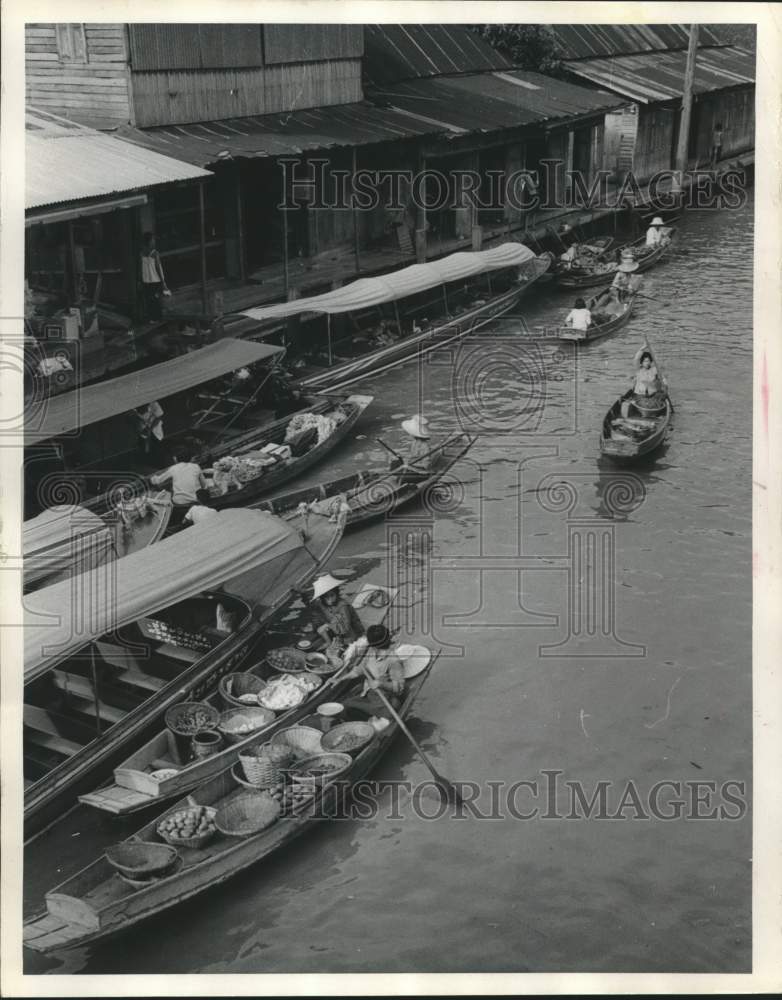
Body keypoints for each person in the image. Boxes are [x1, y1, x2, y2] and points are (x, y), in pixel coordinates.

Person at [343, 624, 405, 711]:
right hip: (370, 693)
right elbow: (361, 668)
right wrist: (341, 679)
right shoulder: (371, 651)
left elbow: (399, 689)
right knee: (345, 706)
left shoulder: (393, 661)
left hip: (385, 699)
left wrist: (381, 684)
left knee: (347, 706)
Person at [150, 451, 210, 523]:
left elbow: (158, 480)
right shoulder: (196, 466)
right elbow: (205, 486)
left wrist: (152, 479)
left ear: (175, 459)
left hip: (179, 503)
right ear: (190, 458)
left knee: (170, 493)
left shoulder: (173, 468)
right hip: (195, 500)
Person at [310, 574, 365, 649]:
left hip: (350, 631)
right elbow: (314, 610)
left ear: (336, 594)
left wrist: (327, 625)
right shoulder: (322, 604)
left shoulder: (343, 606)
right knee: (319, 629)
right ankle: (328, 642)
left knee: (349, 640)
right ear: (322, 598)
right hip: (335, 628)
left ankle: (339, 642)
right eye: (326, 597)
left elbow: (345, 627)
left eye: (332, 595)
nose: (329, 599)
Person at [621, 347, 667, 418]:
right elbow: (636, 359)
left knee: (660, 397)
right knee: (645, 404)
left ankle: (651, 414)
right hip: (640, 395)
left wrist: (664, 381)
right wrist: (642, 348)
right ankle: (646, 414)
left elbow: (662, 377)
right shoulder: (639, 370)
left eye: (648, 361)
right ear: (642, 363)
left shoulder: (654, 370)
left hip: (652, 395)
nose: (647, 363)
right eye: (645, 361)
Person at [140, 233, 169, 322]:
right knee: (156, 298)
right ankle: (157, 318)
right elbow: (158, 268)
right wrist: (163, 281)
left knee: (149, 299)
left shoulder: (141, 253)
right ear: (149, 241)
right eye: (153, 240)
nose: (154, 241)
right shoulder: (155, 253)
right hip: (155, 279)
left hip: (146, 280)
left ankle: (151, 318)